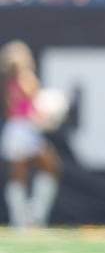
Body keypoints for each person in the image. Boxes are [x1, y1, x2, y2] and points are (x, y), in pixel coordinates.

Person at [0, 39, 61, 229]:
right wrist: (50, 116)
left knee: (19, 175)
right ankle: (34, 216)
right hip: (24, 131)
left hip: (13, 131)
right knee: (50, 168)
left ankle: (24, 219)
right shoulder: (27, 79)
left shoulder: (7, 83)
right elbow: (33, 111)